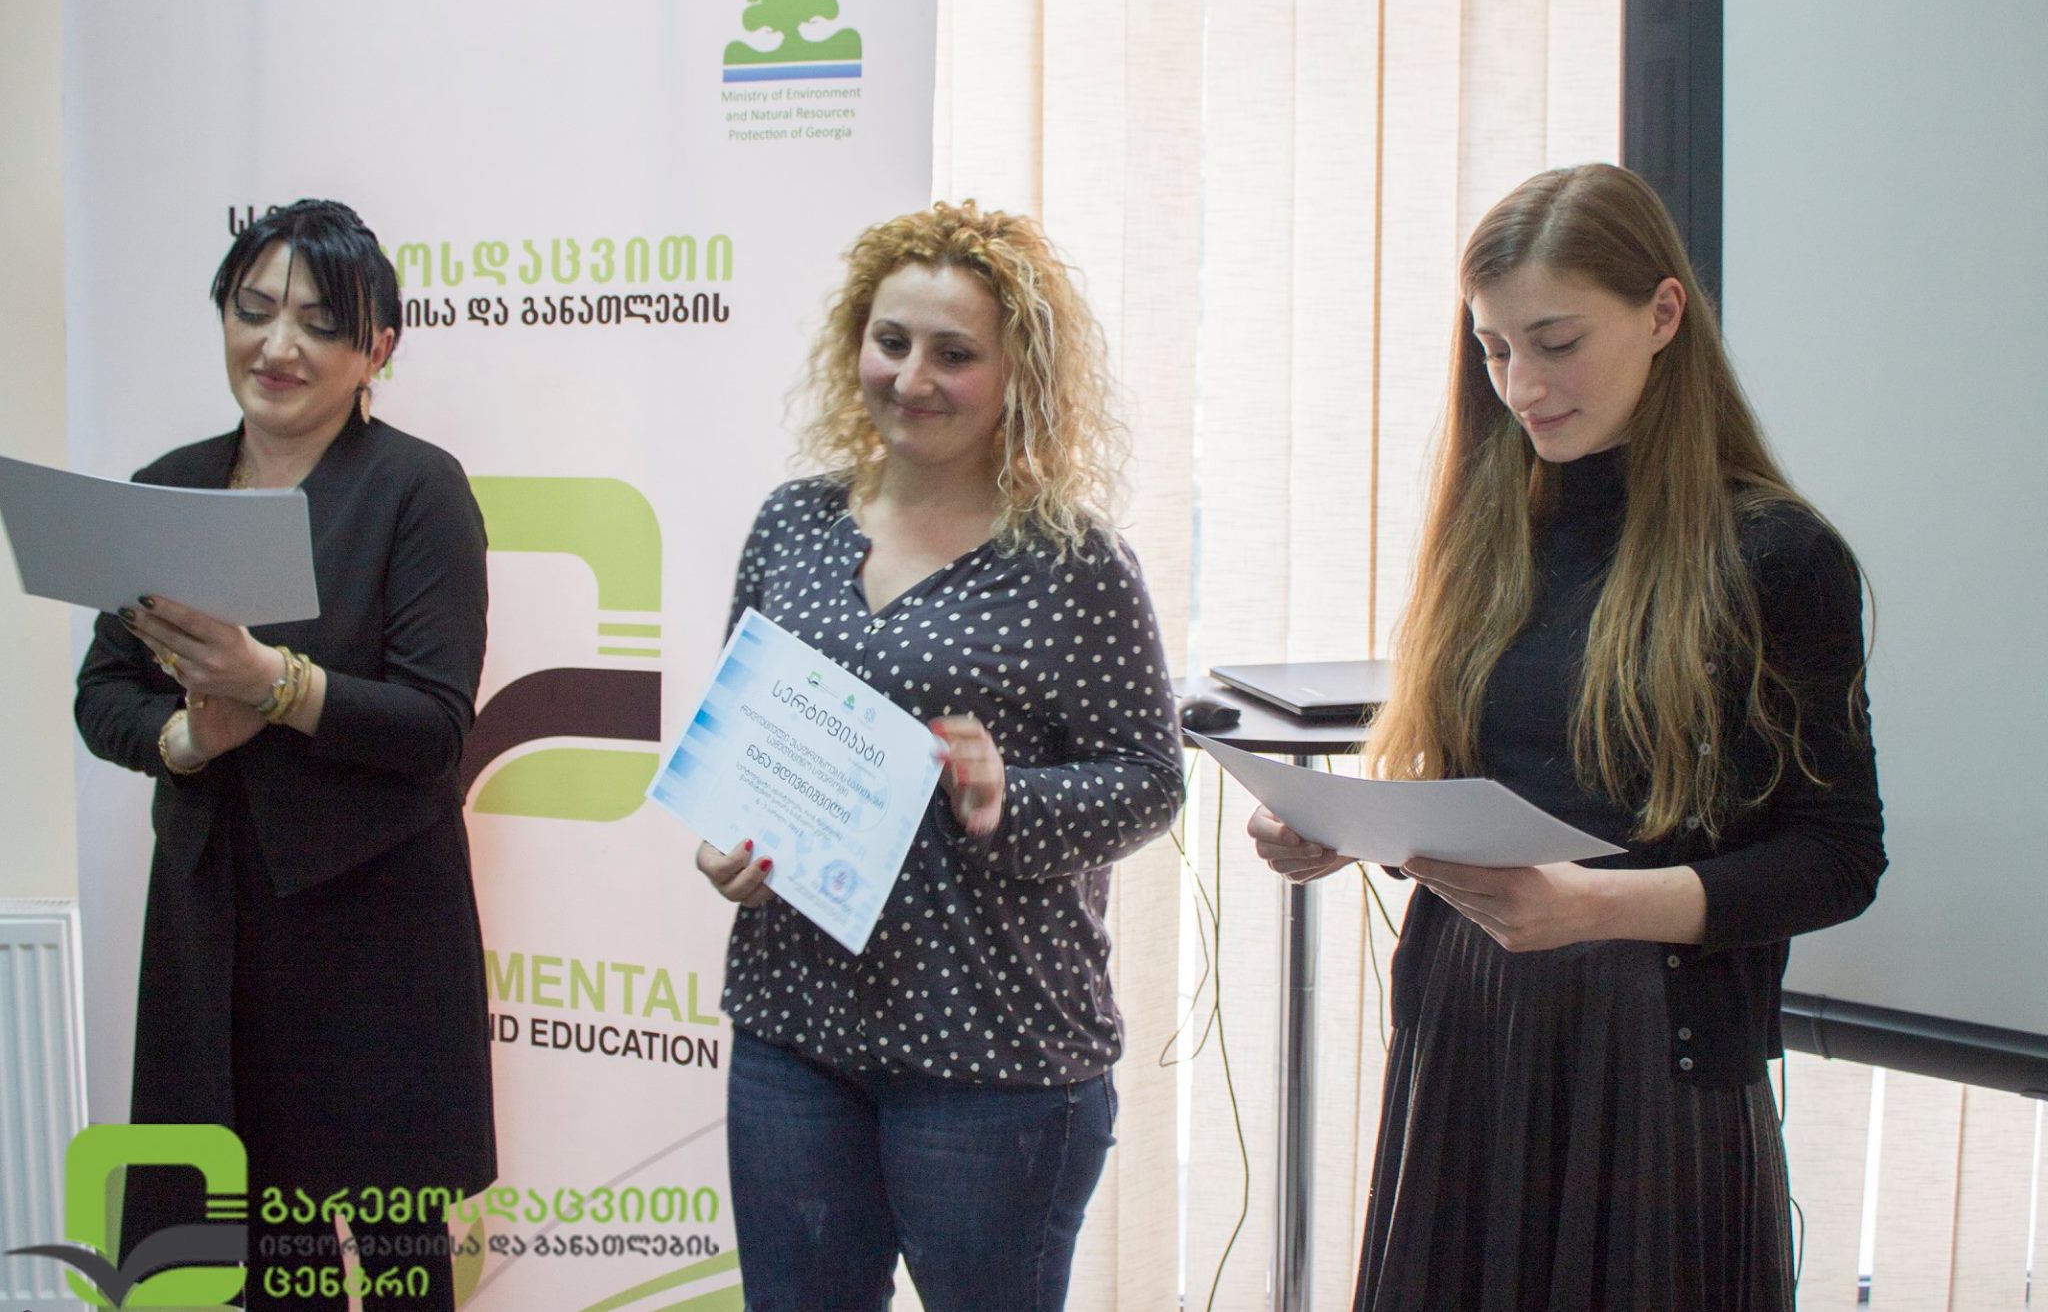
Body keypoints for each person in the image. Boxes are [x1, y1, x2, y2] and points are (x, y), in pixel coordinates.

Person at [1250, 164, 1885, 1311]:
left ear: (1661, 314)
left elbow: (1836, 859)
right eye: (1493, 351)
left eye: (1554, 343)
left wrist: (1595, 907)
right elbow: (1489, 789)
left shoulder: (1775, 556)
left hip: (1650, 1054)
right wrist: (1343, 829)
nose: (1521, 388)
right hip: (1467, 1028)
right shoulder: (1492, 533)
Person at [694, 201, 1185, 1311]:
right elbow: (744, 735)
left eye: (954, 354)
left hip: (994, 1057)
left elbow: (1152, 782)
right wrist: (729, 845)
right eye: (892, 341)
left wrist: (1008, 798)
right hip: (794, 1029)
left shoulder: (1074, 562)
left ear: (1017, 377)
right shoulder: (792, 522)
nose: (912, 377)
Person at [74, 199, 495, 1310]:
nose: (277, 345)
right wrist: (183, 738)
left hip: (376, 938)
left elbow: (435, 726)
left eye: (319, 322)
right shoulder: (168, 485)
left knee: (400, 1266)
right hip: (212, 928)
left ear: (378, 347)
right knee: (242, 1260)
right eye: (253, 310)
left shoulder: (416, 489)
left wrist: (275, 684)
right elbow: (101, 695)